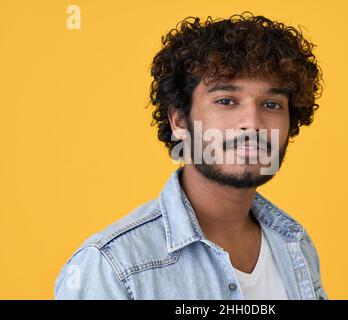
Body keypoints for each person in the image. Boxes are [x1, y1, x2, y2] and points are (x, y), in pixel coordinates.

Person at [54, 11, 328, 300]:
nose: (253, 123)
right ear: (180, 121)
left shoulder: (294, 243)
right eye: (226, 101)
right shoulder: (112, 267)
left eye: (271, 105)